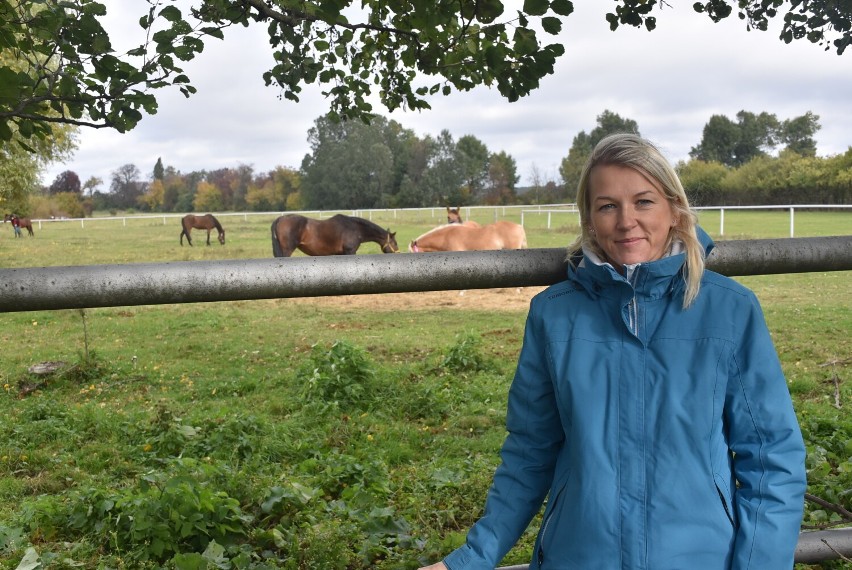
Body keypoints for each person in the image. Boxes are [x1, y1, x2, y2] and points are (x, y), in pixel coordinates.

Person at [419, 133, 806, 570]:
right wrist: (471, 559)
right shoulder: (553, 316)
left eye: (643, 201)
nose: (626, 221)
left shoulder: (730, 310)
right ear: (589, 218)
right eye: (607, 206)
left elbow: (773, 458)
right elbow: (530, 452)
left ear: (674, 208)